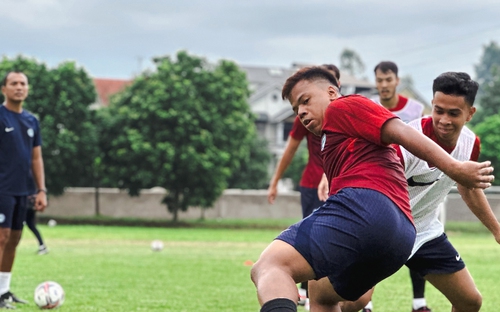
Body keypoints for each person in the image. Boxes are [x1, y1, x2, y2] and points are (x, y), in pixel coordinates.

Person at [250, 66, 493, 312]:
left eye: (306, 101)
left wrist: (453, 168)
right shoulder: (333, 139)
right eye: (295, 108)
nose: (301, 111)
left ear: (333, 92)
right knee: (323, 293)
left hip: (383, 215)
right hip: (401, 235)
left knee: (270, 265)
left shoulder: (343, 106)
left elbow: (399, 132)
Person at [335, 72, 500, 312]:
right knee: (354, 302)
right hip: (386, 232)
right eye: (438, 110)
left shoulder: (470, 142)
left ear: (470, 113)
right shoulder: (406, 143)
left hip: (424, 231)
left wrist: (496, 229)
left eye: (453, 113)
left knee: (469, 301)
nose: (443, 119)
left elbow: (467, 186)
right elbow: (372, 188)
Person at [267, 64, 340, 309]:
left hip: (340, 185)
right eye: (299, 105)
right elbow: (290, 150)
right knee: (312, 237)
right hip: (312, 185)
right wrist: (275, 181)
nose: (302, 111)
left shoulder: (350, 113)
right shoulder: (307, 115)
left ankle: (334, 290)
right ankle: (305, 290)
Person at [363, 61, 427, 312]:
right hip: (378, 183)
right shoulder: (368, 106)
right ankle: (365, 302)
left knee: (418, 238)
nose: (384, 85)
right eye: (379, 80)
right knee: (370, 242)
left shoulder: (415, 108)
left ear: (397, 81)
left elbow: (422, 141)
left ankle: (419, 303)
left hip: (410, 185)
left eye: (388, 79)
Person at [0, 71, 48, 308]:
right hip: (1, 189)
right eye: (13, 83)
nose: (19, 87)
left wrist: (41, 190)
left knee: (14, 239)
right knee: (2, 236)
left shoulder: (31, 121)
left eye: (23, 84)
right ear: (4, 89)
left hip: (23, 190)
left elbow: (36, 158)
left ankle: (4, 291)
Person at [25, 176, 48, 255]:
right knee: (31, 225)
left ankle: (42, 246)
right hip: (30, 203)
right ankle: (42, 246)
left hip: (27, 203)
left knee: (18, 225)